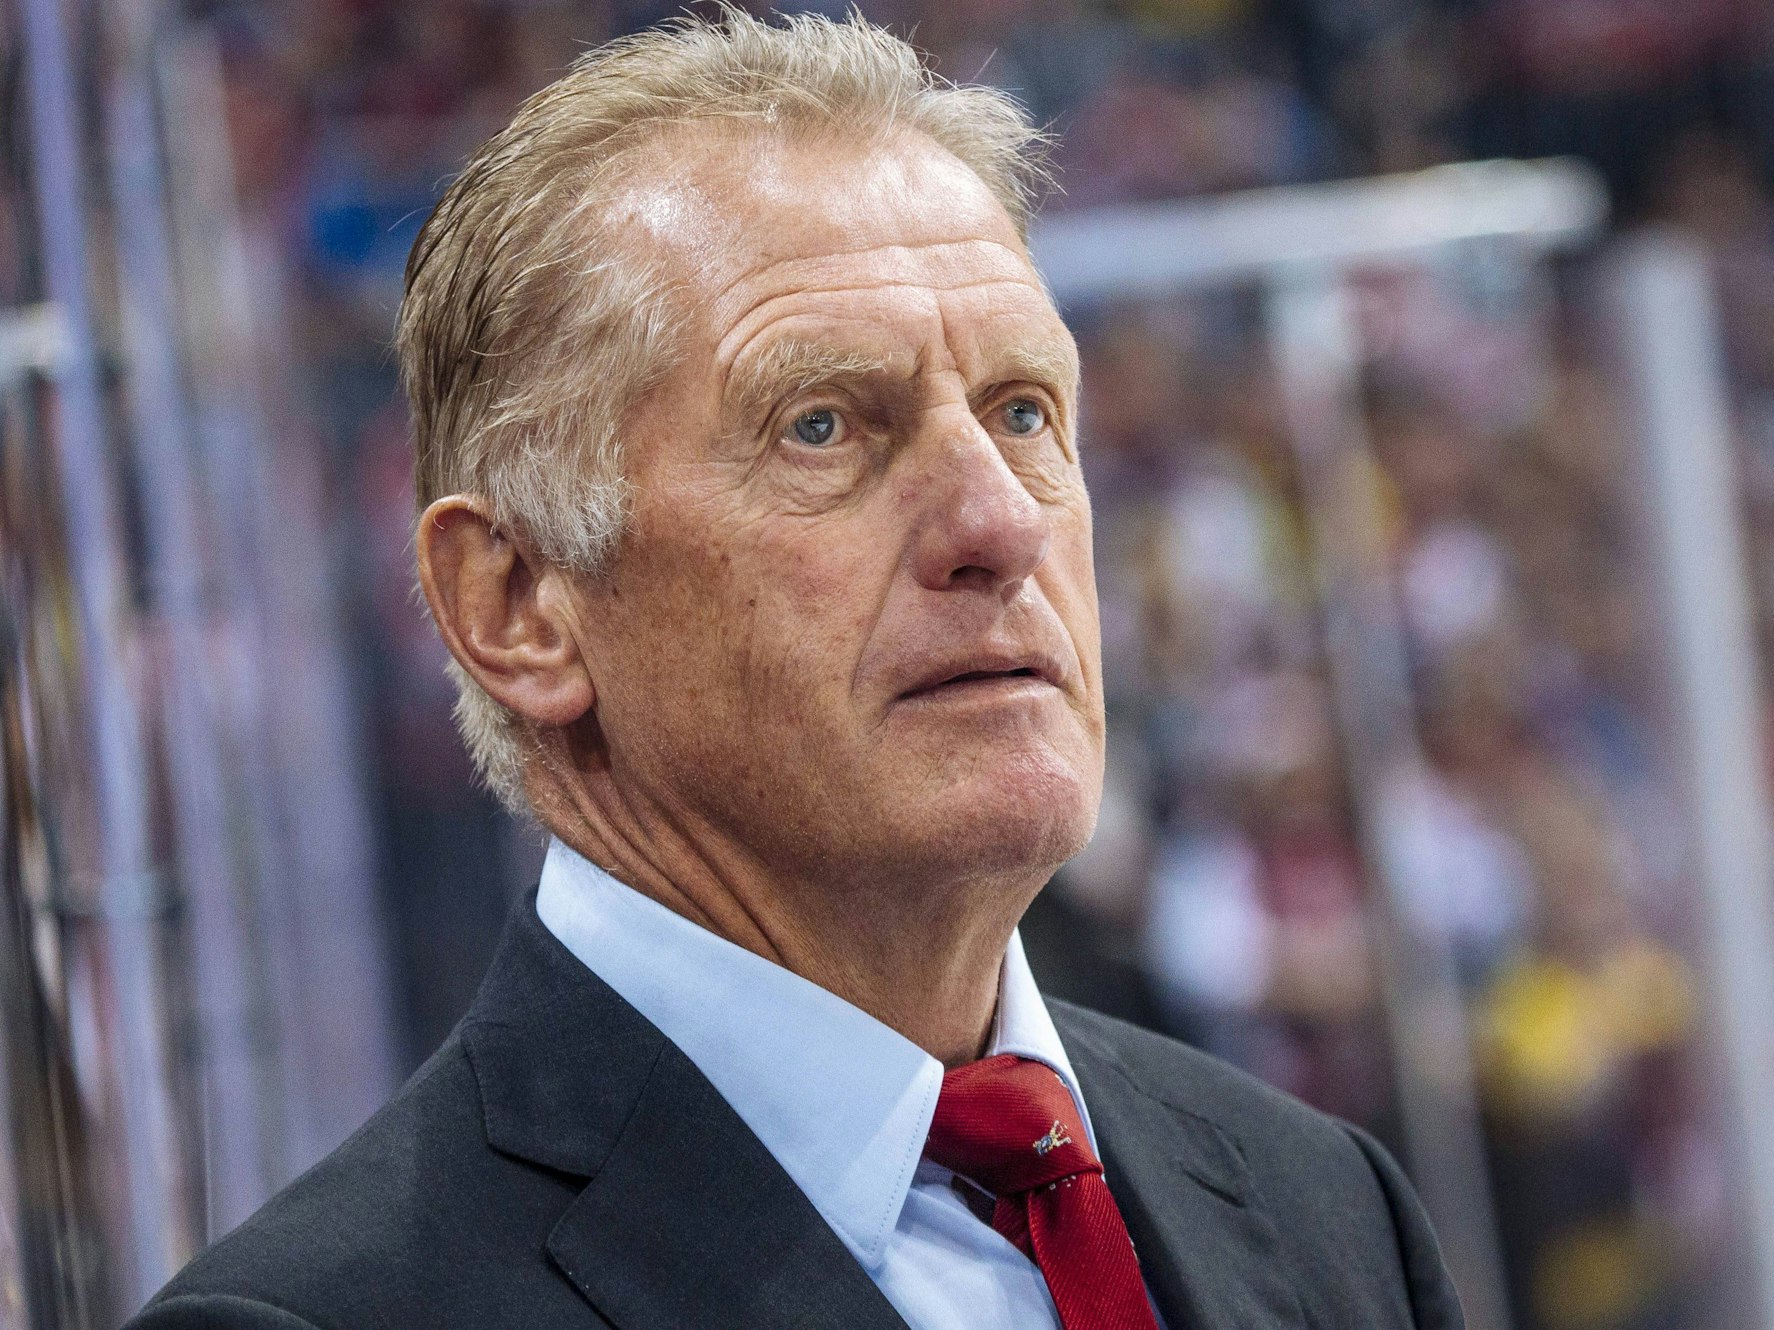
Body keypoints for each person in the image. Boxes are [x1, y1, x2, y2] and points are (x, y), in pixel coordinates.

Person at [129, 12, 1464, 1329]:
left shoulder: (1326, 1205)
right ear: (522, 603)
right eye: (821, 425)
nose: (999, 522)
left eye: (1021, 412)